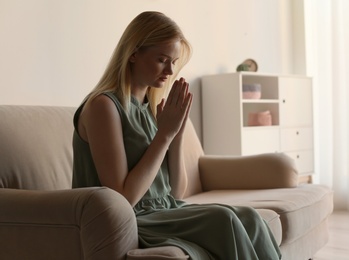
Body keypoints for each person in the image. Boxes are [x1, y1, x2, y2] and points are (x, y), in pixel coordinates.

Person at [72, 11, 282, 260]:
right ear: (133, 53)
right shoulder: (103, 106)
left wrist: (176, 134)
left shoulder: (149, 107)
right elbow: (123, 197)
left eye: (173, 61)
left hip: (165, 210)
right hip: (134, 218)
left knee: (250, 217)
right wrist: (164, 136)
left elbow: (176, 193)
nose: (170, 70)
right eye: (162, 59)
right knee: (223, 219)